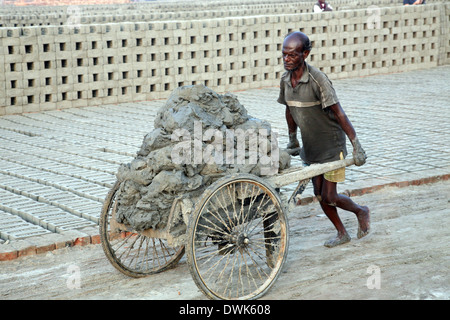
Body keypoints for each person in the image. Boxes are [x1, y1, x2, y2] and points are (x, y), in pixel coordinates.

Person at [278, 31, 370, 247]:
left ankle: (361, 211)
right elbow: (289, 111)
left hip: (331, 146)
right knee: (319, 194)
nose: (286, 59)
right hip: (311, 148)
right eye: (284, 55)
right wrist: (293, 139)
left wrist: (356, 145)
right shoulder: (285, 80)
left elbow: (340, 113)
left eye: (292, 55)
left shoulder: (317, 80)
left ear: (305, 54)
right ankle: (342, 233)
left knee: (330, 195)